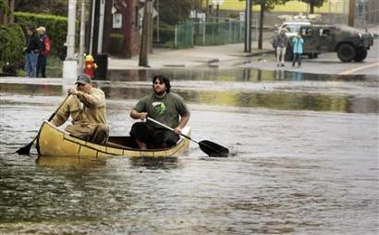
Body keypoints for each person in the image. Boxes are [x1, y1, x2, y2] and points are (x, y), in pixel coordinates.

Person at [130, 75, 190, 149]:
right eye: (155, 83)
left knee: (170, 140)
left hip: (168, 131)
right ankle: (143, 150)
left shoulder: (176, 99)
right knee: (137, 127)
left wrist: (179, 127)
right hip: (151, 130)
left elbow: (186, 114)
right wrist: (138, 115)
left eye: (160, 83)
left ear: (166, 87)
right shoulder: (146, 99)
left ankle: (162, 153)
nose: (157, 85)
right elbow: (133, 113)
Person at [51, 74, 109, 145]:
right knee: (68, 129)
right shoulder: (71, 98)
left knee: (103, 128)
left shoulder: (98, 93)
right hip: (79, 130)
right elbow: (60, 117)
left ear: (90, 85)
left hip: (95, 130)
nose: (80, 86)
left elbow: (94, 102)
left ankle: (97, 146)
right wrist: (50, 125)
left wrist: (78, 94)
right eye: (78, 84)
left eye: (82, 84)